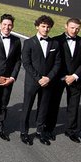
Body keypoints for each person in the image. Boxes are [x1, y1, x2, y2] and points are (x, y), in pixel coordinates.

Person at [20, 15, 62, 146]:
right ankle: (24, 132)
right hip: (32, 82)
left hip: (48, 82)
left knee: (43, 108)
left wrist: (48, 77)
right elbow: (26, 63)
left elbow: (57, 63)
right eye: (43, 26)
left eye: (48, 27)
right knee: (27, 107)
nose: (46, 29)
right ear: (37, 26)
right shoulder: (28, 42)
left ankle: (39, 132)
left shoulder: (55, 43)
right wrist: (39, 78)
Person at [48, 18, 81, 143]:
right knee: (54, 104)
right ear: (66, 26)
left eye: (77, 28)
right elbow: (53, 61)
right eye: (72, 27)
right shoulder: (56, 40)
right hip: (58, 78)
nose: (74, 30)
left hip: (75, 79)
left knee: (74, 105)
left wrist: (75, 76)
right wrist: (62, 76)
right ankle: (49, 129)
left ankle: (71, 130)